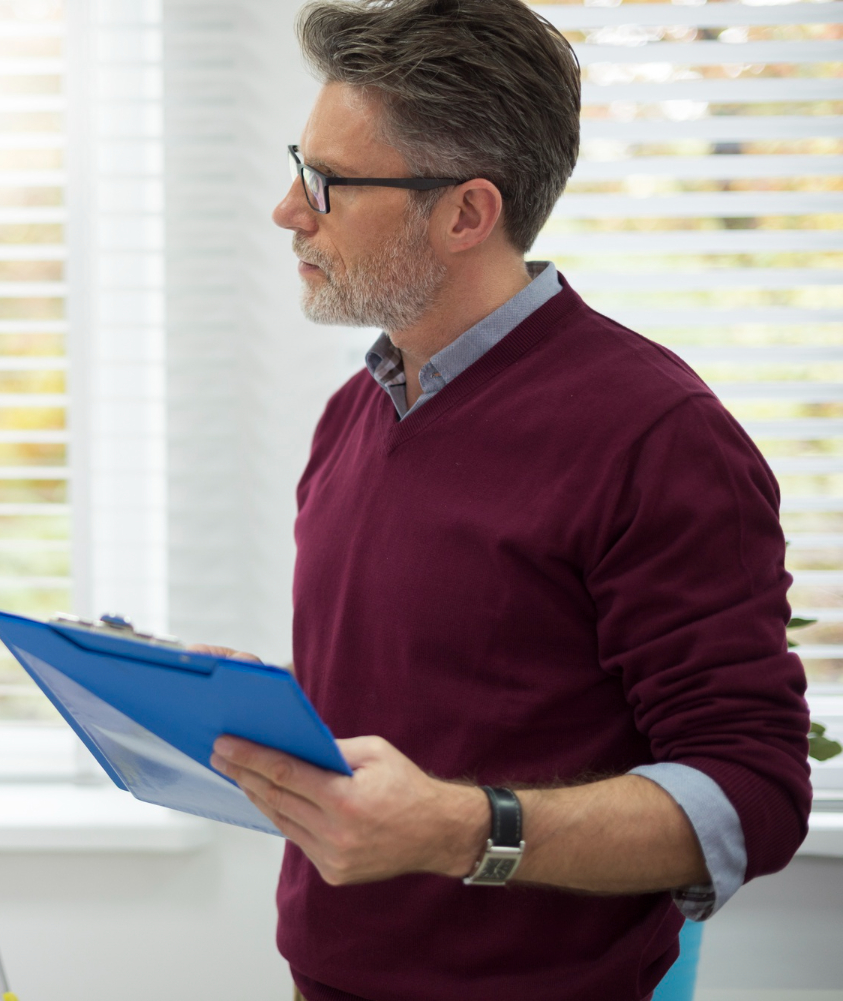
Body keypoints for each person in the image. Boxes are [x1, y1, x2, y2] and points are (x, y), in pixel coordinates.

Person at [195, 1, 814, 999]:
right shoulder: (354, 413)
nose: (288, 210)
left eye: (328, 182)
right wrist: (264, 720)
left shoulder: (656, 436)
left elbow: (755, 794)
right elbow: (446, 703)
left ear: (467, 214)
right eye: (296, 164)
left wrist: (462, 829)